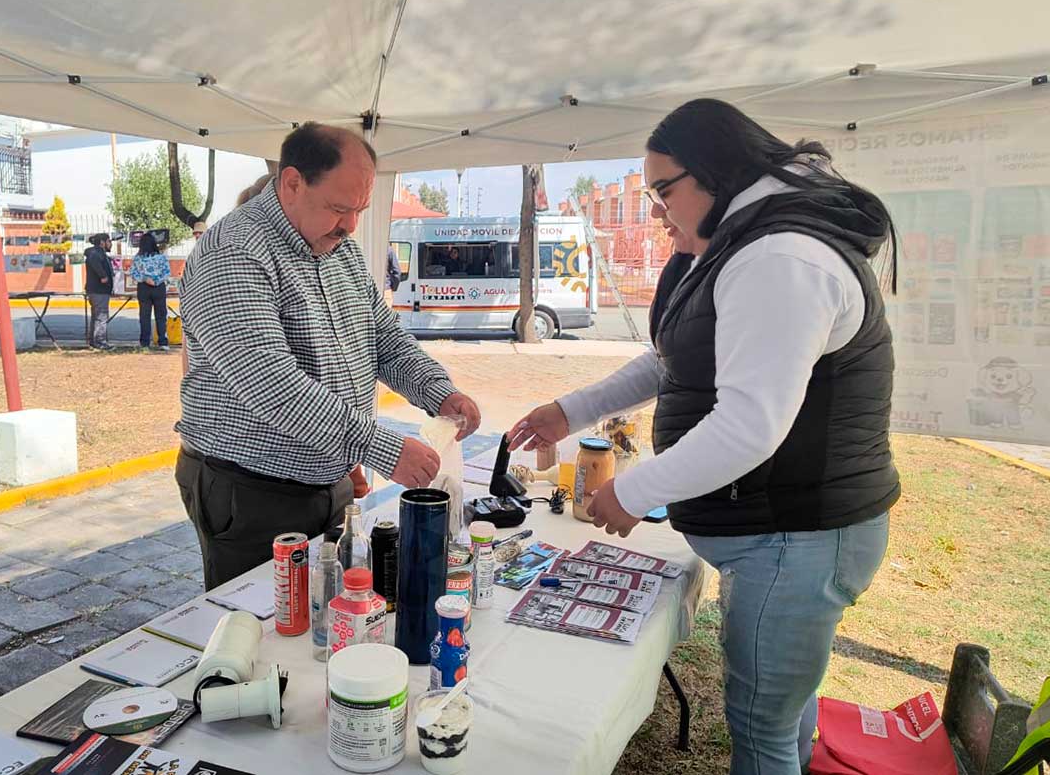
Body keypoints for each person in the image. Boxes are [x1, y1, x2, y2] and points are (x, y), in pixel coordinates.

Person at [509, 98, 899, 775]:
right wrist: (569, 411)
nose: (659, 210)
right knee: (780, 710)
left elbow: (751, 425)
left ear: (715, 172)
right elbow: (674, 359)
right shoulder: (746, 242)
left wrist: (632, 491)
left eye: (663, 190)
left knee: (761, 726)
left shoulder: (781, 256)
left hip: (797, 531)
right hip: (781, 530)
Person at [176, 122, 482, 589]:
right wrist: (382, 447)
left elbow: (382, 337)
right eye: (340, 208)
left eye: (359, 209)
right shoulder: (233, 252)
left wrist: (438, 392)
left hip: (327, 481)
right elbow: (273, 388)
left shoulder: (341, 250)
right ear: (293, 183)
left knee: (329, 616)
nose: (351, 224)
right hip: (250, 490)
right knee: (263, 631)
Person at [131, 232, 171, 352]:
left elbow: (134, 273)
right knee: (161, 316)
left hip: (143, 288)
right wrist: (156, 281)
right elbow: (167, 272)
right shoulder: (162, 257)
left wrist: (145, 279)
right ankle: (162, 342)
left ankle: (145, 343)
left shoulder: (138, 258)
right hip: (159, 288)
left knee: (145, 316)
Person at [84, 233, 114, 350]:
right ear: (102, 242)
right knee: (101, 316)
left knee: (97, 316)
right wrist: (103, 276)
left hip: (100, 290)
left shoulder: (99, 253)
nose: (110, 244)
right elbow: (94, 262)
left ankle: (94, 340)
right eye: (108, 241)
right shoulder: (95, 253)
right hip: (98, 290)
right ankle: (100, 341)